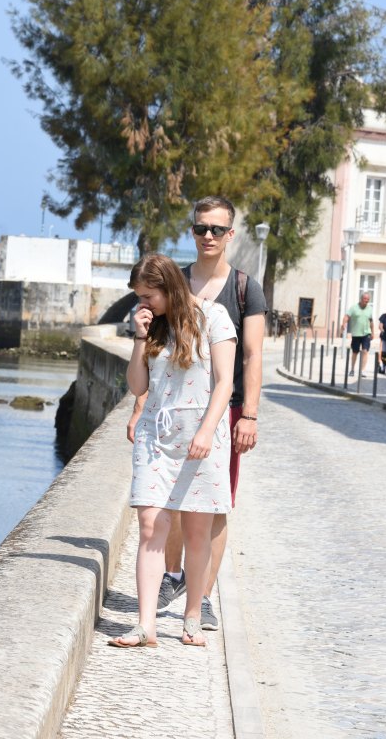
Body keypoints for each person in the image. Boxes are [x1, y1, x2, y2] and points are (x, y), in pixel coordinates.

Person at [127, 196, 267, 630]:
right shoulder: (173, 285)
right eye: (201, 228)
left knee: (211, 511)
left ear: (230, 235)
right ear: (192, 232)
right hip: (168, 416)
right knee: (165, 510)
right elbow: (152, 372)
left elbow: (252, 355)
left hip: (225, 410)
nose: (208, 235)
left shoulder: (243, 289)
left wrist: (250, 415)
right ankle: (171, 577)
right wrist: (138, 407)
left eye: (217, 229)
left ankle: (202, 597)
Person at [108, 254, 236, 648]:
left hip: (201, 437)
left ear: (169, 288)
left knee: (197, 532)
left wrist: (208, 431)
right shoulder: (153, 327)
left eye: (149, 295)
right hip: (156, 437)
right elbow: (137, 387)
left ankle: (193, 617)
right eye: (139, 297)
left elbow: (225, 383)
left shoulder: (214, 318)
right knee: (150, 524)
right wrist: (139, 337)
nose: (144, 303)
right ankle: (145, 625)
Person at [342, 292, 374, 377]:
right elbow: (346, 316)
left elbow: (371, 321)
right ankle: (352, 369)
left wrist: (373, 332)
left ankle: (362, 370)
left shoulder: (370, 309)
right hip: (356, 333)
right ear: (361, 299)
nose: (366, 301)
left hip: (366, 333)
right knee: (355, 352)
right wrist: (344, 323)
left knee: (365, 351)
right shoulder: (354, 308)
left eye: (368, 300)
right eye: (365, 299)